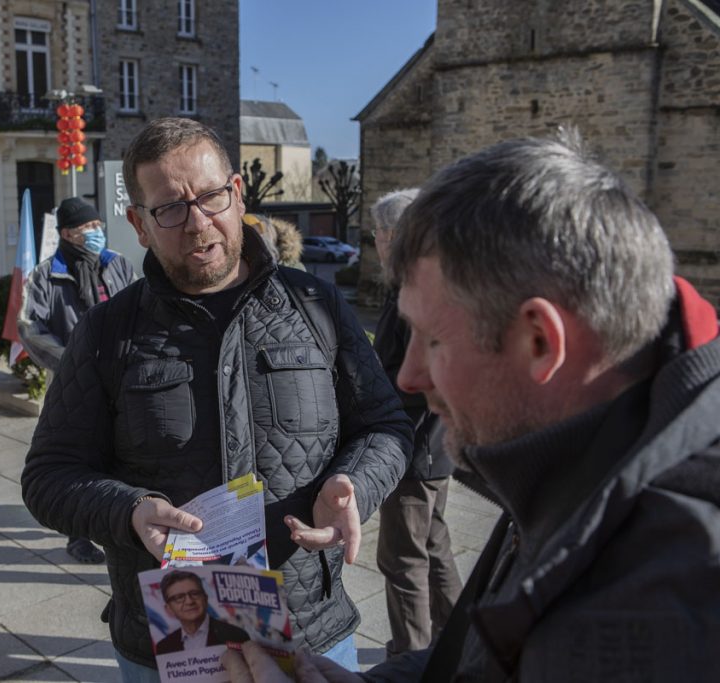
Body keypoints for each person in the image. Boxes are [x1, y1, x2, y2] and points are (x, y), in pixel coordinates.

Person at [222, 131, 720, 682]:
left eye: (432, 339)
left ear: (540, 342)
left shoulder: (667, 597)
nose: (409, 377)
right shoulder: (593, 450)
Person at [21, 117, 412, 681]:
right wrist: (127, 511)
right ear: (138, 223)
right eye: (170, 209)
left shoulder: (316, 306)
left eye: (210, 197)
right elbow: (48, 477)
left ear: (237, 193)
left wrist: (354, 484)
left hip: (311, 631)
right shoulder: (107, 331)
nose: (197, 223)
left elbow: (385, 427)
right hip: (169, 645)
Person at [17, 196, 136, 565]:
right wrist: (71, 361)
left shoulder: (117, 264)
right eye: (88, 228)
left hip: (120, 377)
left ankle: (118, 518)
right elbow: (28, 327)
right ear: (67, 233)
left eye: (99, 226)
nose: (97, 233)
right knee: (78, 456)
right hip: (73, 385)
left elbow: (140, 308)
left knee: (120, 452)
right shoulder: (45, 275)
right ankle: (78, 534)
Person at [371, 189, 461, 656]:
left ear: (393, 236)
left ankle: (412, 655)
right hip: (432, 448)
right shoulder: (422, 284)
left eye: (378, 235)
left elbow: (407, 377)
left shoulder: (414, 291)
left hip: (414, 448)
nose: (376, 245)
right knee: (434, 547)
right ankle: (459, 640)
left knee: (403, 559)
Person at [155, 570, 250, 654]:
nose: (189, 601)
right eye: (179, 597)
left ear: (205, 598)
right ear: (169, 609)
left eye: (194, 593)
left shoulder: (237, 636)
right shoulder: (163, 648)